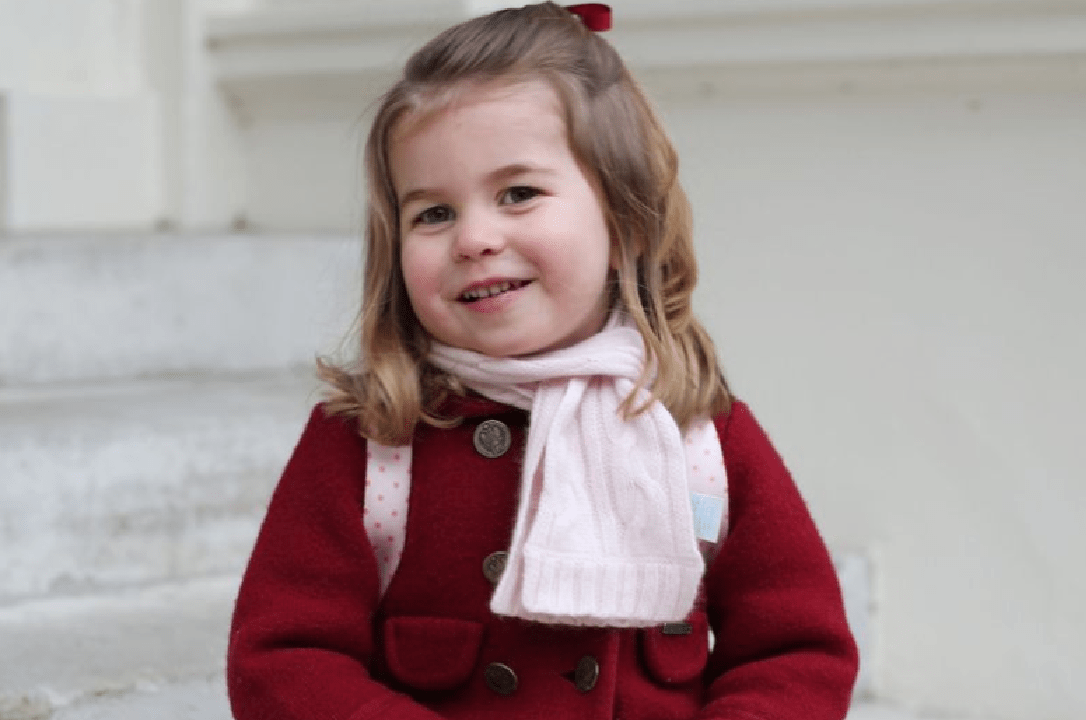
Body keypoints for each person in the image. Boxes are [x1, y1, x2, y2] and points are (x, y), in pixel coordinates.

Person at [226, 3, 859, 719]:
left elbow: (796, 651)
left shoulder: (696, 436)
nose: (473, 238)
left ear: (626, 223)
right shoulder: (375, 444)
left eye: (518, 194)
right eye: (433, 213)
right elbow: (281, 661)